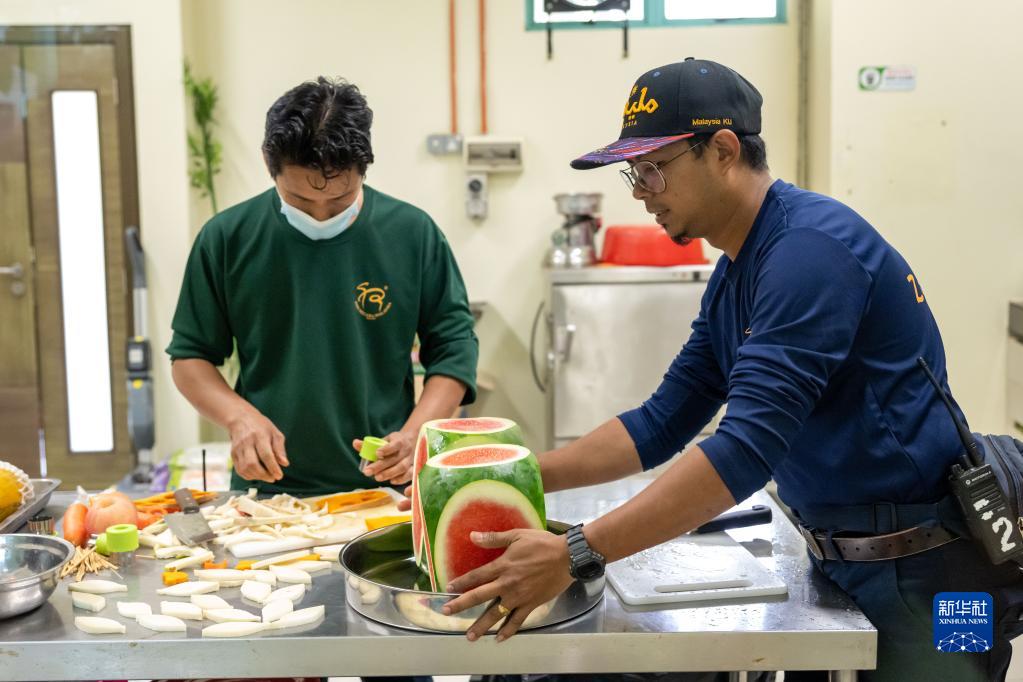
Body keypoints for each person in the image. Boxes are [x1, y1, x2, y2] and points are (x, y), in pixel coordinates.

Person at [434, 59, 1023, 682]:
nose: (639, 192)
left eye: (653, 168)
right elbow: (660, 423)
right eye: (636, 171)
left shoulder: (810, 254)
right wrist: (514, 477)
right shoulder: (738, 272)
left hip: (936, 573)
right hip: (841, 558)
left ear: (722, 150)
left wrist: (575, 551)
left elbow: (744, 451)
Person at [168, 76, 475, 682]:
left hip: (383, 499)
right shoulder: (227, 239)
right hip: (266, 502)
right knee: (274, 657)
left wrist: (420, 428)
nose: (320, 214)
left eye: (338, 202)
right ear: (269, 165)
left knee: (395, 658)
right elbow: (191, 357)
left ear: (363, 168)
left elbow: (454, 350)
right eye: (302, 202)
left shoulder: (411, 234)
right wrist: (239, 415)